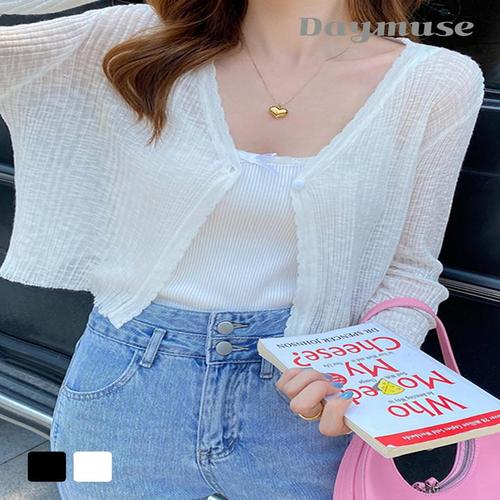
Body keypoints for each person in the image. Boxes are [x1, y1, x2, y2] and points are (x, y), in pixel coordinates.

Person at [0, 0, 484, 498]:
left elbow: (410, 269)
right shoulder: (138, 36)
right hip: (124, 395)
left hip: (311, 407)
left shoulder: (437, 81)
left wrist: (362, 372)